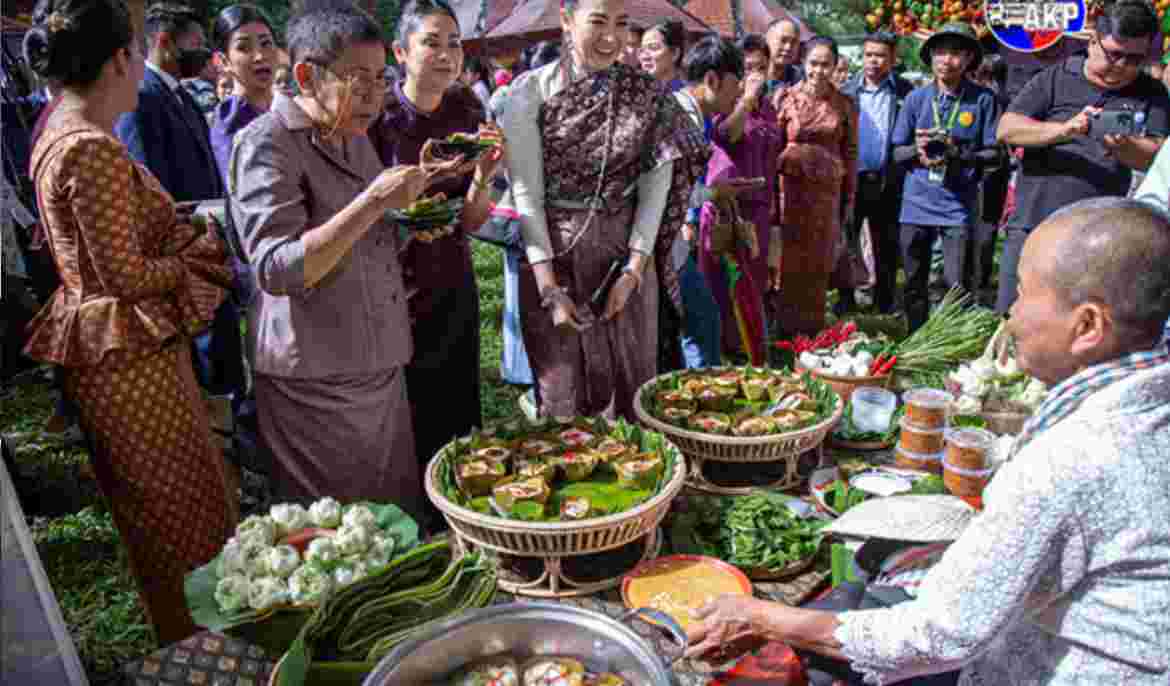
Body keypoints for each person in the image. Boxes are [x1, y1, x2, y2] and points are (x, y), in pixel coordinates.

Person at [686, 197, 1170, 686]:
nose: (1011, 311)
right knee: (865, 592)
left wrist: (761, 616)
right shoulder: (1148, 402)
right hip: (1037, 639)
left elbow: (936, 635)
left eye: (1022, 293)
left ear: (1087, 325)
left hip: (1044, 669)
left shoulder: (1073, 459)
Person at [22, 0, 237, 643]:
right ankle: (204, 649)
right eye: (140, 48)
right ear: (121, 58)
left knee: (166, 506)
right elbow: (124, 278)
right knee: (178, 510)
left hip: (117, 352)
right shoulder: (88, 147)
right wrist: (200, 250)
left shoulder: (60, 127)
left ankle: (199, 641)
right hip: (128, 361)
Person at [229, 2, 450, 515]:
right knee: (340, 535)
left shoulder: (353, 134)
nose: (375, 95)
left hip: (377, 363)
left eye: (381, 78)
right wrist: (372, 202)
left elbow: (363, 239)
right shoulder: (268, 144)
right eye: (359, 80)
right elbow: (276, 267)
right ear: (306, 76)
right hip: (316, 381)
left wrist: (408, 222)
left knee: (394, 521)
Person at [498, 0, 708, 420]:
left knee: (630, 387)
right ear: (566, 20)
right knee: (563, 393)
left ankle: (641, 479)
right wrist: (549, 289)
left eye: (621, 23)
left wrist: (633, 271)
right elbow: (527, 194)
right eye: (597, 21)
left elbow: (655, 189)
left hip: (625, 257)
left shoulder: (647, 95)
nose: (611, 37)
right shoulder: (529, 92)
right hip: (553, 257)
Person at [367, 0, 503, 493]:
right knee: (410, 404)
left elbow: (470, 218)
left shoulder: (467, 109)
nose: (446, 55)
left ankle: (462, 500)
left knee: (458, 398)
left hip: (451, 274)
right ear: (401, 52)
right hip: (394, 284)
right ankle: (417, 507)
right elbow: (365, 213)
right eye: (431, 42)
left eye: (454, 43)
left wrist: (484, 177)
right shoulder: (379, 122)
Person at [995, 0, 1168, 313]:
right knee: (1015, 315)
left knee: (1081, 321)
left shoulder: (1152, 92)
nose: (1123, 66)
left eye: (1135, 59)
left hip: (1098, 236)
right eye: (1114, 54)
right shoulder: (1055, 77)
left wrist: (1122, 146)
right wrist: (1065, 130)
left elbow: (1156, 156)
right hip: (1034, 222)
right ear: (1092, 41)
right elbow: (1007, 129)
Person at [891, 23, 1000, 331]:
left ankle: (951, 341)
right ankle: (916, 338)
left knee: (958, 285)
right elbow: (897, 153)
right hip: (915, 203)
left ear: (968, 59)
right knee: (913, 280)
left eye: (954, 53)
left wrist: (957, 152)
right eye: (940, 52)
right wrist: (919, 149)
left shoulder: (982, 100)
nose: (945, 60)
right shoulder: (916, 99)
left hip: (958, 206)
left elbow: (994, 155)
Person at [770, 36, 857, 337]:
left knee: (817, 263)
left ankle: (810, 333)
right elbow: (772, 146)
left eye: (826, 64)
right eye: (814, 63)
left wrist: (849, 199)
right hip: (790, 189)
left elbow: (851, 152)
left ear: (835, 66)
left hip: (826, 192)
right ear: (804, 64)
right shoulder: (785, 97)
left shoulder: (845, 104)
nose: (819, 71)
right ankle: (782, 332)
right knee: (787, 261)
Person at [672, 36, 749, 368]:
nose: (740, 94)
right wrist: (714, 194)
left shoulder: (693, 115)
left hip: (665, 240)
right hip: (656, 244)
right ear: (712, 80)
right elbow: (669, 190)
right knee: (702, 323)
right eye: (736, 84)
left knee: (698, 321)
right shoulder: (681, 119)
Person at [837, 31, 915, 316]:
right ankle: (845, 301)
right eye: (868, 54)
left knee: (887, 246)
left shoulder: (906, 93)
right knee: (846, 242)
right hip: (852, 181)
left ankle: (884, 304)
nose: (873, 61)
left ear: (893, 59)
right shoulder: (846, 91)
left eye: (880, 56)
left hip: (888, 181)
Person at [115, 2, 222, 203]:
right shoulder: (140, 99)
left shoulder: (185, 98)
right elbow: (149, 187)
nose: (203, 52)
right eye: (196, 44)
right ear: (165, 42)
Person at [209, 4, 276, 183]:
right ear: (223, 61)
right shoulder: (231, 119)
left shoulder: (284, 109)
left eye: (266, 43)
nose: (260, 56)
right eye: (244, 48)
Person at [639, 19, 686, 91]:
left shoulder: (685, 97)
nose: (644, 56)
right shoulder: (637, 94)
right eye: (641, 50)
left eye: (653, 47)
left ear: (675, 53)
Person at [765, 17, 803, 91]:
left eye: (794, 42)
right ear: (767, 40)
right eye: (783, 40)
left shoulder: (800, 81)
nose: (788, 47)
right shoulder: (746, 73)